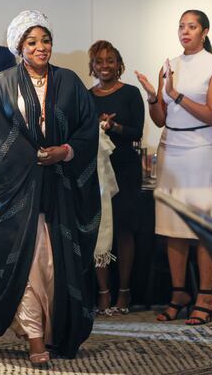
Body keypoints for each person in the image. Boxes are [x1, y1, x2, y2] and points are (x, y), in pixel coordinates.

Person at [0, 10, 100, 365]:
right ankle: (35, 338)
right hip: (14, 193)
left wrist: (65, 152)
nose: (41, 48)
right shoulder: (1, 84)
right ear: (19, 47)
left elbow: (87, 130)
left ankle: (55, 332)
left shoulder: (70, 82)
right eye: (32, 42)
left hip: (62, 190)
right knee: (27, 263)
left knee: (56, 264)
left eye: (46, 40)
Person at [136, 9, 212, 325]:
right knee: (171, 224)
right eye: (181, 26)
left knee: (202, 224)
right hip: (171, 147)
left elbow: (211, 113)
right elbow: (161, 118)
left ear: (204, 32)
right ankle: (179, 293)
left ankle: (205, 294)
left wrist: (175, 94)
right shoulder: (169, 65)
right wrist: (153, 97)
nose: (185, 31)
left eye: (192, 27)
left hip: (201, 148)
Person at [88, 40, 144, 315]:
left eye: (110, 60)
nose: (105, 66)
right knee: (99, 232)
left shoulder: (131, 93)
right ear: (93, 66)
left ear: (119, 64)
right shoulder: (87, 96)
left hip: (125, 170)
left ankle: (124, 291)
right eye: (99, 61)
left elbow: (137, 132)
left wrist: (114, 126)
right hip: (96, 172)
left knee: (123, 230)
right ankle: (103, 292)